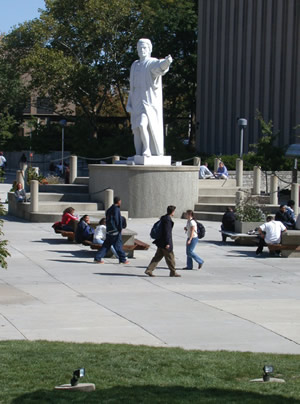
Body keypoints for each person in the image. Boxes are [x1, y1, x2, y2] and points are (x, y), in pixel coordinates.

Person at [126, 38, 172, 157]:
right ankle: (138, 153)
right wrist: (129, 102)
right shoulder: (134, 65)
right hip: (136, 103)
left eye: (144, 47)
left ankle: (147, 150)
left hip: (147, 103)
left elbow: (159, 67)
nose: (142, 50)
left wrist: (166, 62)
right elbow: (132, 87)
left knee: (142, 124)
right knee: (136, 130)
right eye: (140, 48)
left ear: (149, 49)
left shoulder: (151, 62)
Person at [145, 205, 181, 277]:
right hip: (165, 243)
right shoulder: (167, 220)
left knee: (157, 257)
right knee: (170, 257)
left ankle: (149, 270)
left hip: (160, 242)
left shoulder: (163, 218)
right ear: (172, 212)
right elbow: (167, 232)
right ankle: (173, 272)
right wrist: (167, 243)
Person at [94, 197, 129, 264]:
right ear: (119, 201)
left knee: (106, 245)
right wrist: (119, 228)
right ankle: (123, 259)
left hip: (109, 230)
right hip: (115, 231)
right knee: (118, 245)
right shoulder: (116, 209)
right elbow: (117, 219)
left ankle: (98, 258)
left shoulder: (109, 209)